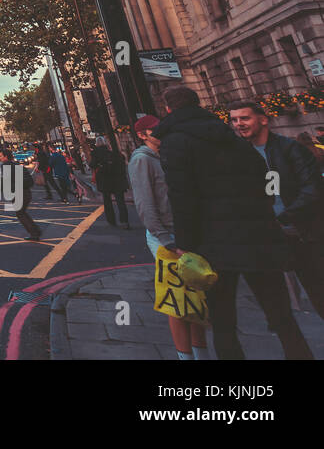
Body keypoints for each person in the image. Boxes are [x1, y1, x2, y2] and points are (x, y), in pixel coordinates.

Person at [156, 85, 313, 360]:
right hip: (258, 237)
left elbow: (182, 197)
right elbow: (259, 174)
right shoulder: (227, 134)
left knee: (223, 322)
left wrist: (185, 244)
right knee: (281, 316)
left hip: (214, 244)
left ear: (168, 109)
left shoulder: (175, 141)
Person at [230, 101, 324, 317]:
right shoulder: (240, 155)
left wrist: (282, 218)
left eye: (244, 118)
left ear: (263, 120)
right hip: (269, 238)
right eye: (234, 120)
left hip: (304, 233)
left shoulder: (290, 148)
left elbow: (312, 190)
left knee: (318, 292)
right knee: (280, 308)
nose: (238, 124)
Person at [129, 115, 210, 360]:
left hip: (185, 232)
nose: (162, 133)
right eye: (156, 130)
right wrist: (166, 240)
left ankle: (201, 354)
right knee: (177, 302)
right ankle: (185, 357)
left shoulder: (167, 155)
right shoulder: (142, 159)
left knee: (196, 299)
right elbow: (145, 204)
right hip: (165, 237)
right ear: (143, 134)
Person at [0, 148, 42, 240]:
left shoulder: (6, 166)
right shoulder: (17, 165)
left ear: (6, 157)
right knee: (22, 213)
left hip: (19, 194)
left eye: (1, 156)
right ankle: (36, 231)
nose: (0, 158)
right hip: (26, 192)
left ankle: (35, 233)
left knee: (20, 214)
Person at [90, 139, 130, 228]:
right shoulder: (114, 152)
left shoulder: (95, 153)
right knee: (120, 201)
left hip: (105, 180)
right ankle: (124, 221)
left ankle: (111, 221)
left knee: (107, 201)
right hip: (117, 179)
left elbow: (92, 164)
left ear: (97, 144)